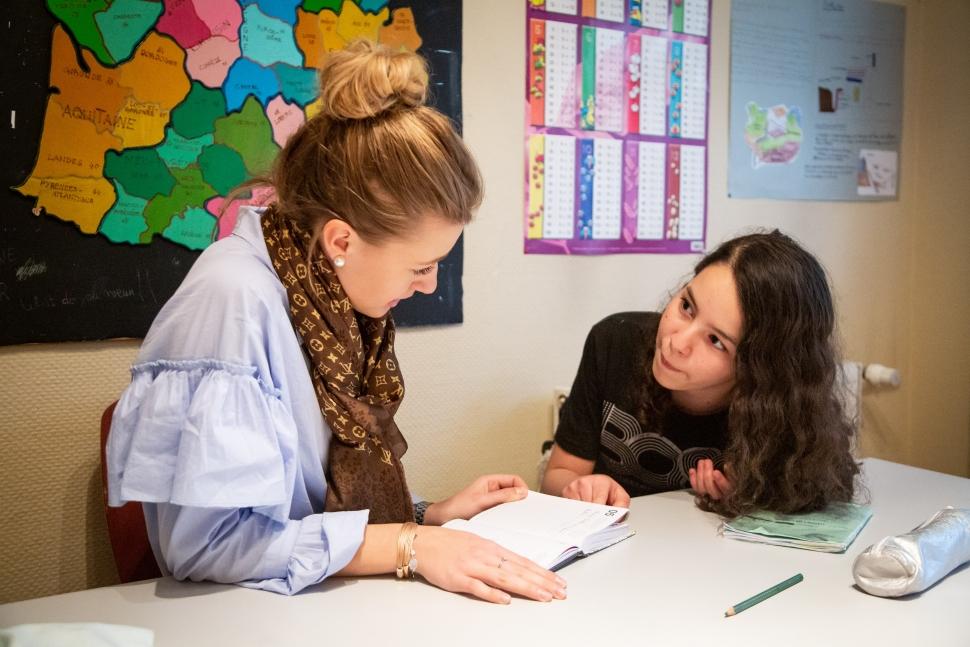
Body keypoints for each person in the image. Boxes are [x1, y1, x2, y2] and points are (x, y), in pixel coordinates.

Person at [106, 40, 565, 604]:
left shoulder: (321, 288)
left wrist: (430, 514)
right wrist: (409, 543)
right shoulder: (233, 301)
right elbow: (208, 547)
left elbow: (307, 501)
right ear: (341, 239)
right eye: (421, 267)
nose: (428, 286)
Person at [541, 231, 859, 517]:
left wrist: (743, 497)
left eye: (716, 341)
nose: (677, 342)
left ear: (758, 367)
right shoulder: (614, 341)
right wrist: (580, 488)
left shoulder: (775, 410)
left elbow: (814, 498)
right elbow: (557, 474)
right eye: (686, 307)